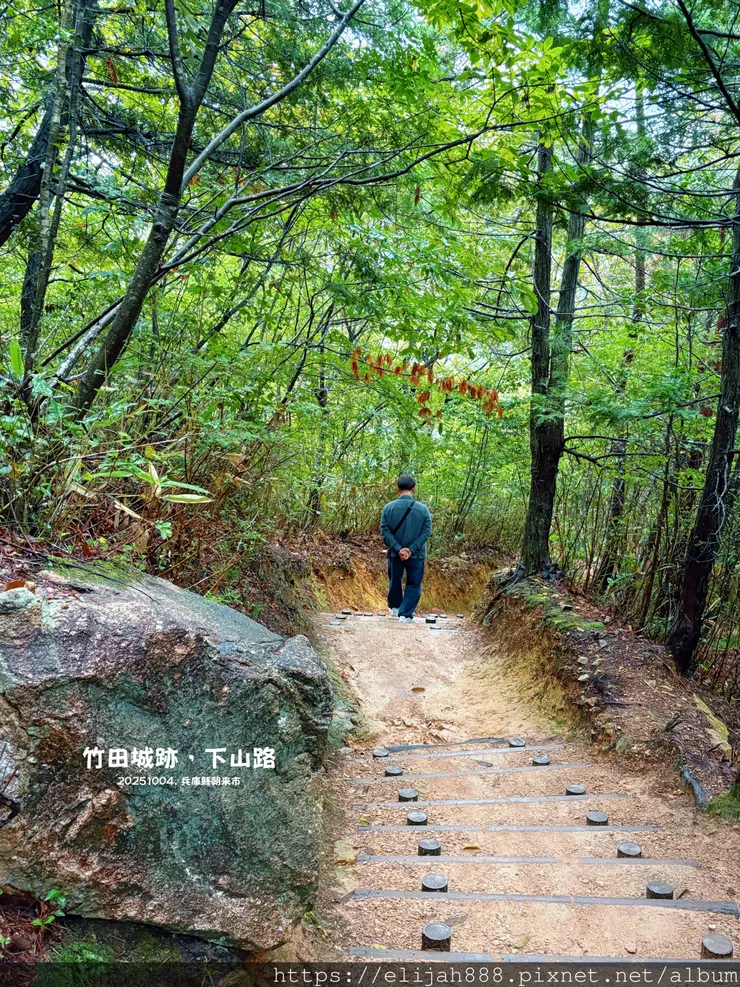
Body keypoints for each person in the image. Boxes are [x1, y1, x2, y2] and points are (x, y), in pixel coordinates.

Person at [380, 474, 432, 622]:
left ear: (398, 489)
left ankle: (395, 609)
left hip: (394, 554)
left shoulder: (388, 508)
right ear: (414, 488)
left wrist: (398, 549)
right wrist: (411, 549)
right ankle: (405, 614)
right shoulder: (423, 510)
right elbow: (426, 532)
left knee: (394, 580)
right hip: (416, 555)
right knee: (414, 583)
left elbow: (385, 531)